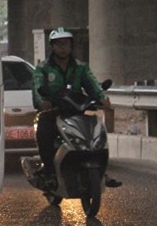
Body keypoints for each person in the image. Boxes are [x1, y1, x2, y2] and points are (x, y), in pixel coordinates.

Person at [31, 27, 121, 187]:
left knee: (96, 134)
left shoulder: (81, 67)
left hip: (76, 110)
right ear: (52, 46)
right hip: (53, 112)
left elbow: (92, 84)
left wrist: (102, 98)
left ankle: (102, 172)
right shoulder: (43, 68)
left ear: (71, 46)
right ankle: (50, 173)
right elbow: (38, 89)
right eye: (59, 44)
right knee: (44, 133)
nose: (63, 47)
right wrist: (43, 102)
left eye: (66, 44)